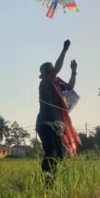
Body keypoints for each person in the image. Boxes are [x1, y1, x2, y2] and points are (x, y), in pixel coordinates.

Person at [36, 39, 80, 186]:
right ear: (44, 74)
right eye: (49, 72)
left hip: (57, 125)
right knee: (50, 152)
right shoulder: (45, 84)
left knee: (59, 155)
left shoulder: (56, 83)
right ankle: (47, 181)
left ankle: (51, 179)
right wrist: (64, 50)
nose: (52, 74)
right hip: (45, 123)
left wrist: (74, 72)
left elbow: (70, 88)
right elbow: (57, 69)